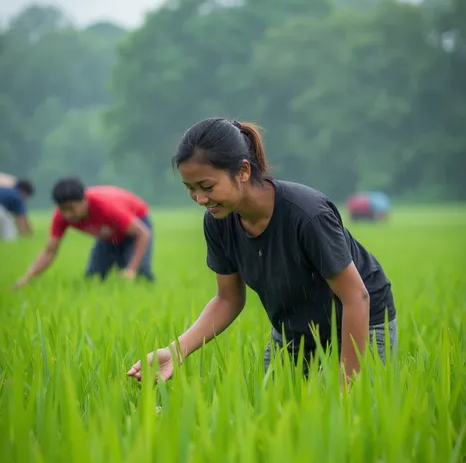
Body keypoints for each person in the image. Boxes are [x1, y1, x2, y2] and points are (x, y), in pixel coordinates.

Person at [128, 118, 397, 389]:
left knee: (352, 416)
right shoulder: (218, 221)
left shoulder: (306, 214)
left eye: (207, 187)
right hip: (293, 331)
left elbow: (356, 297)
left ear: (243, 171)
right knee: (272, 414)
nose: (200, 199)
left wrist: (347, 385)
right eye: (191, 189)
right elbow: (228, 298)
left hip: (359, 323)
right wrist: (175, 351)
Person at [13, 178, 155, 288]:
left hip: (137, 225)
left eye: (71, 208)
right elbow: (50, 251)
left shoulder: (106, 207)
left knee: (140, 273)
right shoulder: (60, 217)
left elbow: (143, 234)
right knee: (92, 279)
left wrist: (130, 270)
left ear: (84, 200)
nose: (67, 215)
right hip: (107, 234)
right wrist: (27, 278)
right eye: (62, 209)